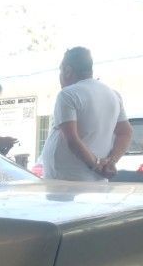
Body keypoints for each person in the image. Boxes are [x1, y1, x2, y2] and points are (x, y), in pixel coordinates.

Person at [40, 47, 132, 182]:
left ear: (67, 71)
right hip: (96, 181)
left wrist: (96, 165)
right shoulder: (113, 95)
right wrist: (111, 162)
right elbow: (126, 132)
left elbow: (72, 139)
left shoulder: (67, 94)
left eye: (61, 70)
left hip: (66, 183)